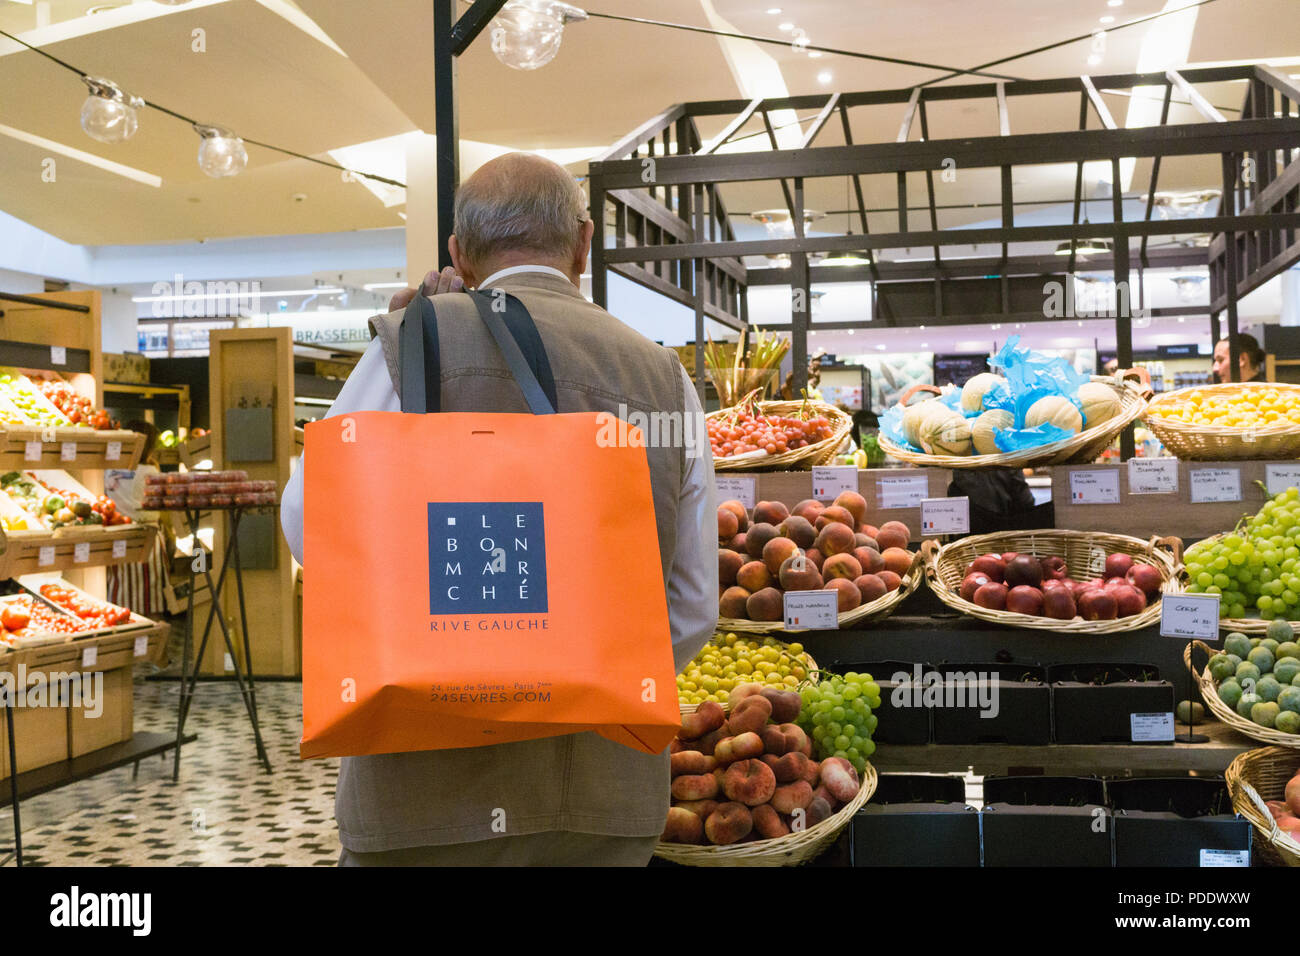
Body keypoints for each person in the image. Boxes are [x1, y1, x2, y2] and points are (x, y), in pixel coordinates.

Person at [280, 152, 717, 867]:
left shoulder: (409, 344)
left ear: (458, 251)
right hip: (602, 797)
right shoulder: (660, 375)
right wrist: (574, 672)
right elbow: (694, 603)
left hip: (424, 795)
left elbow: (310, 527)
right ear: (583, 241)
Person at [105, 420, 171, 619]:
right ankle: (151, 643)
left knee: (119, 596)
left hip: (116, 537)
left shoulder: (108, 470)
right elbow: (162, 507)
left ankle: (124, 640)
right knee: (151, 599)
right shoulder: (150, 472)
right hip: (148, 539)